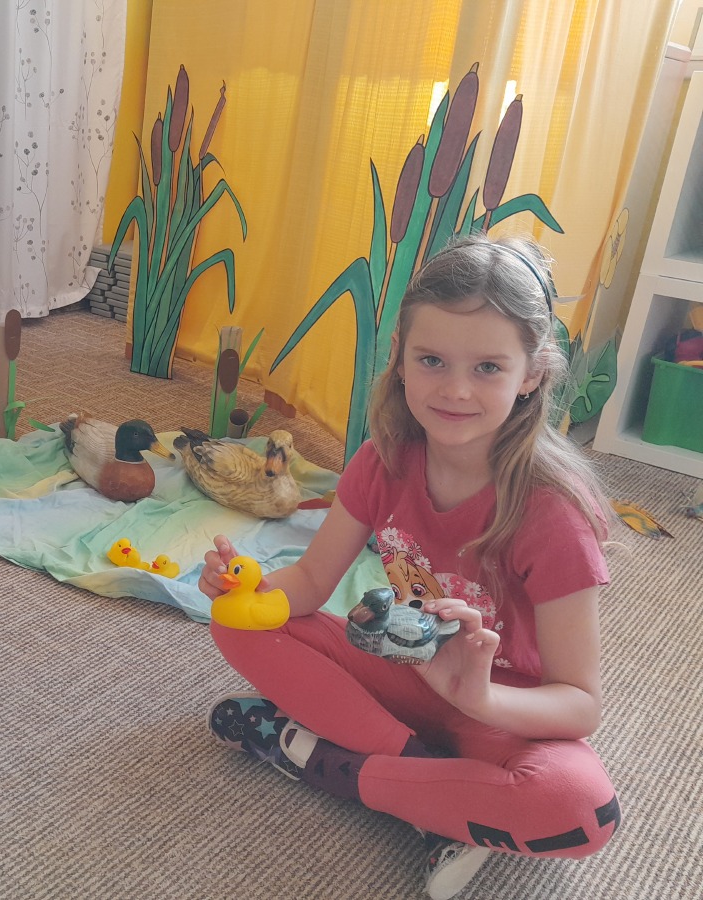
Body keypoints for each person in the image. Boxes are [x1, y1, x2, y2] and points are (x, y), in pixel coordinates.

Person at [198, 234, 619, 900]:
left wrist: (479, 698)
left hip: (497, 711)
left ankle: (319, 759)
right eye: (431, 360)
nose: (455, 390)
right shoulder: (382, 459)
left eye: (488, 367)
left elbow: (579, 703)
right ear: (399, 358)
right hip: (403, 670)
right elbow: (308, 584)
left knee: (581, 807)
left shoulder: (553, 515)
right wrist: (248, 586)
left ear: (533, 373)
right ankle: (433, 789)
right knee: (235, 620)